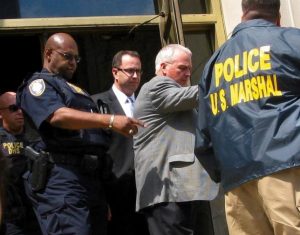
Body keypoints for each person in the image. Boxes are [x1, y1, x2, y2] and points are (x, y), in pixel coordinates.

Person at [17, 32, 144, 235]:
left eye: (76, 58)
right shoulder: (39, 85)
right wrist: (110, 120)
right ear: (49, 53)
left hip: (89, 180)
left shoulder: (78, 91)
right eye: (68, 56)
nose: (73, 63)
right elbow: (58, 116)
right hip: (59, 178)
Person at [195, 0, 300, 234]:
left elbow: (203, 137)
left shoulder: (213, 64)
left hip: (237, 183)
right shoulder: (292, 41)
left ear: (243, 13)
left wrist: (228, 172)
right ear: (278, 16)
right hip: (288, 168)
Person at [133, 44, 219, 235]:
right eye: (182, 68)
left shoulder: (179, 99)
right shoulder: (156, 85)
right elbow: (197, 94)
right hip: (169, 189)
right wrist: (227, 81)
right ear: (163, 67)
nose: (188, 73)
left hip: (186, 189)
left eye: (189, 68)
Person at [91, 50, 149, 235]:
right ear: (115, 72)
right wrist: (100, 197)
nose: (135, 76)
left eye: (138, 71)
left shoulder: (147, 104)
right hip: (116, 194)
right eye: (130, 70)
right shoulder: (97, 104)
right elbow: (93, 154)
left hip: (149, 192)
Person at [0, 92, 41, 235]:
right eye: (13, 108)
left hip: (39, 212)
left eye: (22, 107)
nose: (20, 112)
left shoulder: (37, 136)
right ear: (1, 114)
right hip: (12, 217)